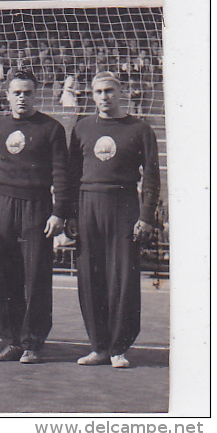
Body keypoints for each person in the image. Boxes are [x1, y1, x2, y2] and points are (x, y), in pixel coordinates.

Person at [67, 71, 160, 368]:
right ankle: (99, 346)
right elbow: (70, 176)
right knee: (90, 277)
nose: (104, 97)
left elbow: (152, 180)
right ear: (92, 95)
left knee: (123, 278)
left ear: (121, 93)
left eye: (110, 91)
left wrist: (145, 217)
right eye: (99, 92)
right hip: (88, 205)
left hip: (123, 207)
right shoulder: (82, 128)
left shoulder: (140, 128)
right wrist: (70, 213)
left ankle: (119, 348)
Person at [0, 69, 70, 364]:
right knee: (4, 277)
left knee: (36, 277)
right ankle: (10, 341)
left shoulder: (51, 128)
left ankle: (33, 341)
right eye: (17, 92)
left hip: (37, 206)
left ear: (36, 95)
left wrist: (59, 213)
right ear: (7, 95)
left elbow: (61, 173)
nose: (22, 98)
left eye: (27, 92)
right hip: (3, 205)